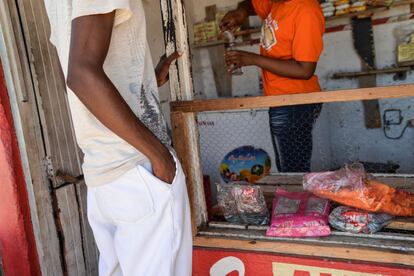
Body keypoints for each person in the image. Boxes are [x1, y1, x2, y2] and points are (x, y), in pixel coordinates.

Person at [43, 0, 192, 275]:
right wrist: (159, 157)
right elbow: (81, 76)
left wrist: (142, 81)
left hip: (105, 177)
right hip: (138, 170)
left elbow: (72, 77)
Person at [221, 0, 325, 172]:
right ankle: (296, 197)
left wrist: (252, 59)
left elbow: (304, 69)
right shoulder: (277, 3)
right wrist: (240, 13)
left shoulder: (306, 10)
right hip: (280, 99)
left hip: (296, 101)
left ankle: (299, 198)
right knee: (288, 167)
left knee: (293, 171)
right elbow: (250, 4)